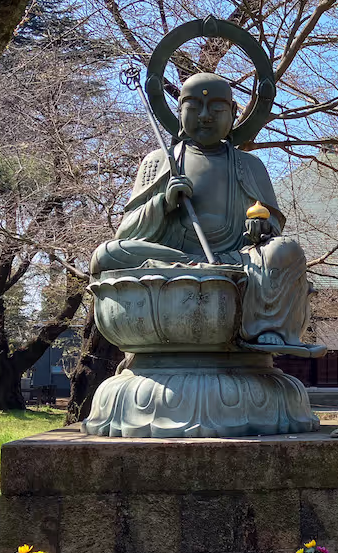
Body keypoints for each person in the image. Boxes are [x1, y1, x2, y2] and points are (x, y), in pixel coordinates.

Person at [91, 72, 315, 353]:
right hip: (175, 258)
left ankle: (266, 326)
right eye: (194, 108)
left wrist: (262, 227)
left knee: (286, 250)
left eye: (217, 109)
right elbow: (127, 232)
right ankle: (208, 282)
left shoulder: (250, 165)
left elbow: (271, 228)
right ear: (179, 111)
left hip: (236, 259)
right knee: (107, 254)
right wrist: (163, 203)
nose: (205, 116)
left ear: (233, 112)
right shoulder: (159, 161)